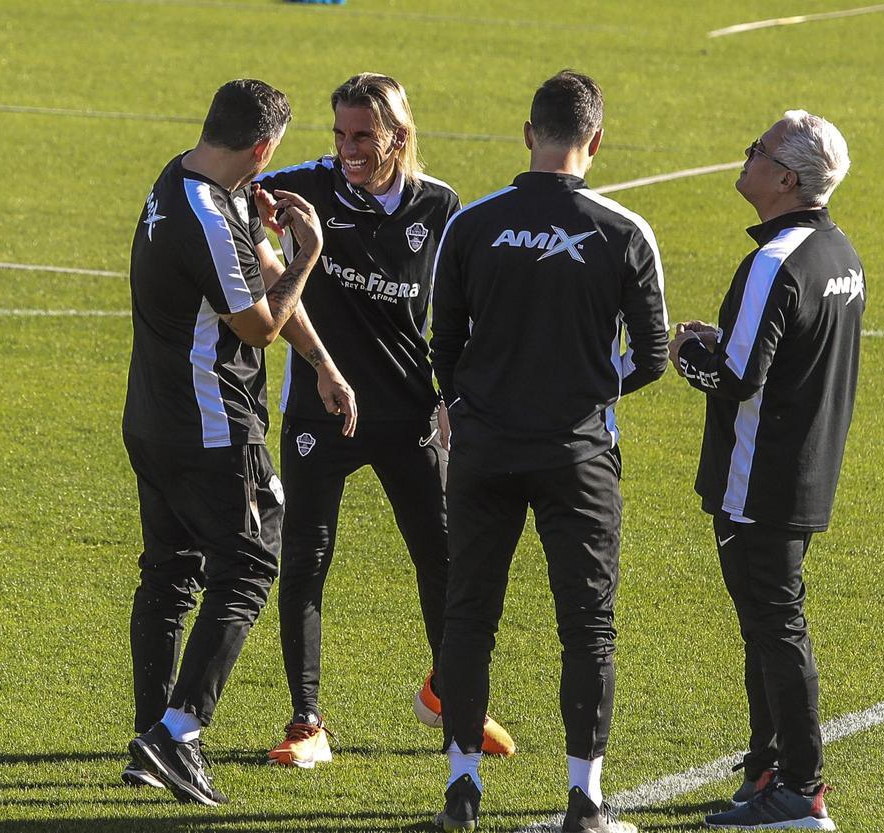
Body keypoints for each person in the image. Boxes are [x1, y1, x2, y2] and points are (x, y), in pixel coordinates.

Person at [251, 72, 514, 768]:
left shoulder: (442, 206)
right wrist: (268, 243)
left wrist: (454, 400)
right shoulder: (300, 188)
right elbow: (235, 205)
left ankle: (454, 696)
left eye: (363, 135)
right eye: (339, 133)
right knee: (305, 560)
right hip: (320, 405)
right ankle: (307, 722)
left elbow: (457, 313)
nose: (349, 149)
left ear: (399, 133)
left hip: (408, 411)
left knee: (446, 557)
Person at [430, 70, 668, 833]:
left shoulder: (472, 223)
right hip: (577, 455)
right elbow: (655, 355)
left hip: (483, 449)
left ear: (528, 134)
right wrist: (590, 395)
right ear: (595, 140)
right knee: (588, 626)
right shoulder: (624, 230)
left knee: (468, 616)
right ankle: (583, 799)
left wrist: (468, 406)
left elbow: (444, 346)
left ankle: (462, 786)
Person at [121, 78, 355, 806]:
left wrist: (322, 364)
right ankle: (179, 733)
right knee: (250, 565)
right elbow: (258, 322)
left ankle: (149, 738)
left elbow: (266, 275)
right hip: (212, 429)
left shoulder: (181, 178)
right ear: (262, 147)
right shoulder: (208, 216)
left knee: (168, 573)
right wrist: (312, 250)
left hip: (151, 421)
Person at [668, 110, 861, 831]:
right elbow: (788, 359)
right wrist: (722, 342)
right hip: (807, 471)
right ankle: (769, 765)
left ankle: (800, 786)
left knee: (776, 625)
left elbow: (739, 377)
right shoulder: (839, 252)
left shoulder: (774, 260)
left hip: (757, 477)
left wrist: (686, 349)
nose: (745, 154)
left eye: (757, 147)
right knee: (768, 624)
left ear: (784, 177)